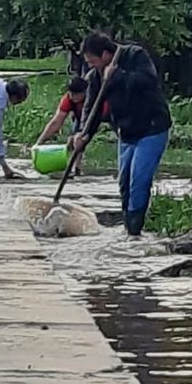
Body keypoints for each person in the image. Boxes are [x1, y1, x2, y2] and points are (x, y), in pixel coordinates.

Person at [72, 32, 171, 237]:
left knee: (138, 181)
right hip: (126, 133)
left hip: (151, 128)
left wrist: (117, 76)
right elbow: (92, 108)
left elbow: (148, 80)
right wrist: (83, 134)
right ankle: (129, 232)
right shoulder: (97, 76)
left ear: (105, 54)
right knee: (124, 184)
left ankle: (135, 231)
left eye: (93, 61)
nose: (91, 66)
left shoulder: (135, 55)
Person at [34, 76, 92, 175]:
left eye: (76, 94)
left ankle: (77, 166)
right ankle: (75, 168)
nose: (72, 96)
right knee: (73, 141)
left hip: (97, 116)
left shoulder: (93, 98)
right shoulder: (68, 99)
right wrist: (39, 142)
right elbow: (56, 122)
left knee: (80, 139)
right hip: (80, 118)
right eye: (71, 93)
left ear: (84, 92)